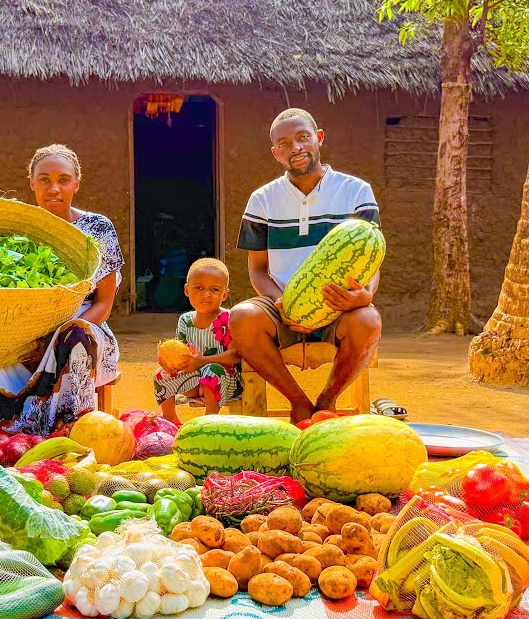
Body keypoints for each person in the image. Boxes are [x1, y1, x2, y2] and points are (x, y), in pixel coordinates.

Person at [229, 108, 383, 423]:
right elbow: (258, 268)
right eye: (284, 143)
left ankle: (327, 401)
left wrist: (364, 295)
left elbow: (371, 255)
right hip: (282, 307)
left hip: (340, 308)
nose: (296, 148)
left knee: (368, 320)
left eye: (303, 137)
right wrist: (279, 301)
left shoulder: (355, 191)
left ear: (319, 138)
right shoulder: (262, 199)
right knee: (242, 317)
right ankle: (299, 402)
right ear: (276, 154)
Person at [0, 144, 123, 435]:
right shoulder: (19, 230)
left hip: (83, 327)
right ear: (32, 182)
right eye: (45, 179)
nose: (54, 188)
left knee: (75, 335)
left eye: (63, 180)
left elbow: (104, 304)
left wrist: (55, 334)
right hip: (24, 328)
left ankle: (69, 429)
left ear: (77, 183)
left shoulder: (98, 228)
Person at [153, 258, 242, 423]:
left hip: (225, 383)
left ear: (225, 295)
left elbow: (235, 355)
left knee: (212, 369)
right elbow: (181, 354)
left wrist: (202, 361)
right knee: (159, 374)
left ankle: (209, 420)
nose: (206, 294)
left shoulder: (228, 318)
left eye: (214, 289)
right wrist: (170, 364)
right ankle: (171, 420)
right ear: (187, 290)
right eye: (198, 287)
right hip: (194, 382)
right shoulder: (185, 320)